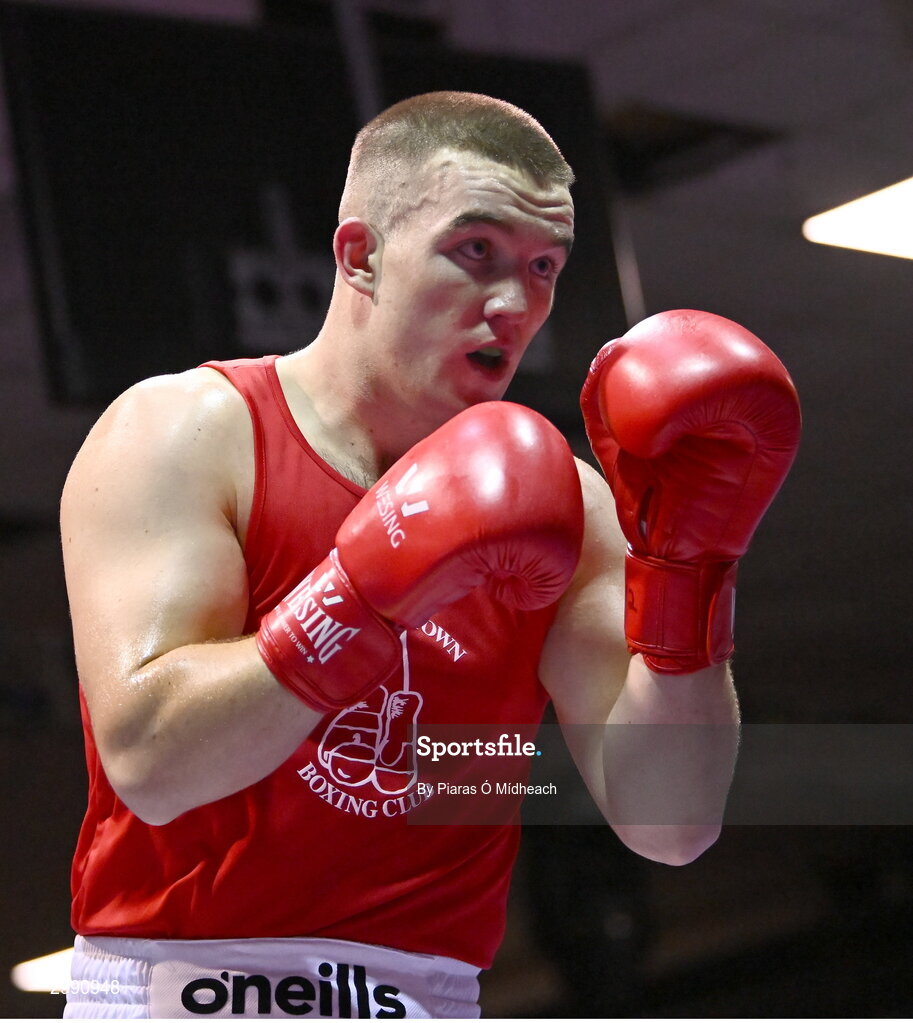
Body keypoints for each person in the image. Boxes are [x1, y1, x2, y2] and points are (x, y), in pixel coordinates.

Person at [60, 91, 800, 1018]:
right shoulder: (189, 430)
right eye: (475, 251)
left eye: (542, 266)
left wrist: (692, 575)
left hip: (426, 996)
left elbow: (672, 823)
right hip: (186, 989)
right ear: (360, 254)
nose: (514, 301)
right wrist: (365, 588)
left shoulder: (570, 506)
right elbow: (151, 761)